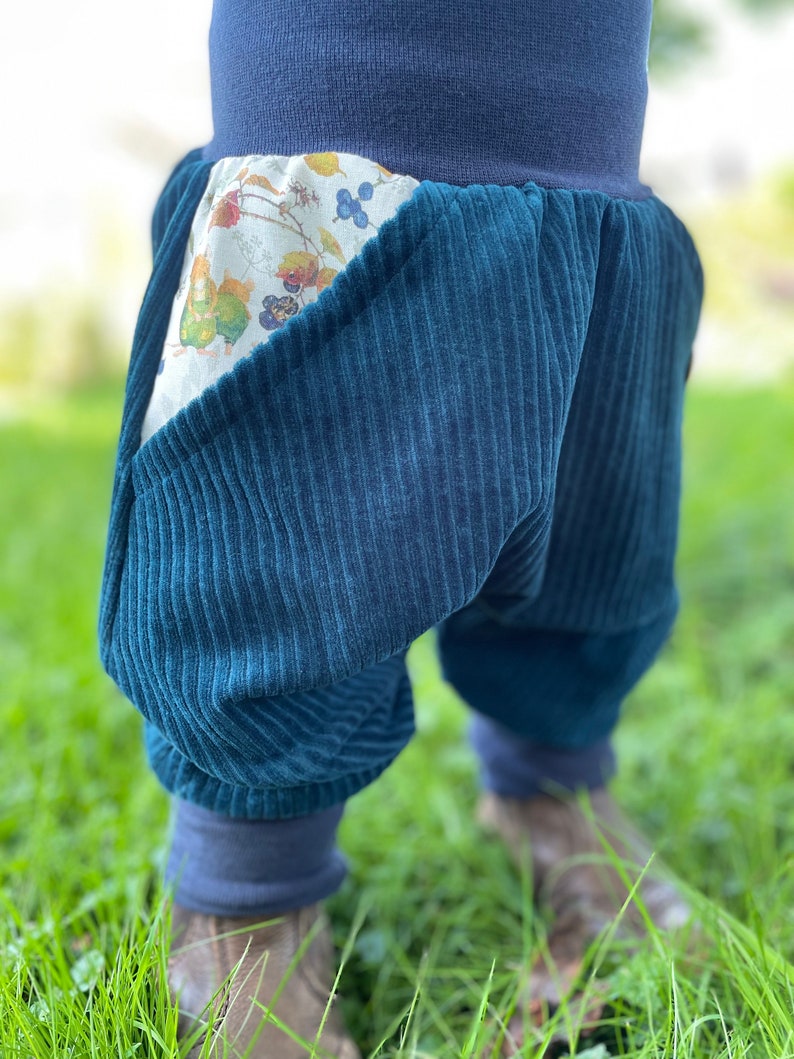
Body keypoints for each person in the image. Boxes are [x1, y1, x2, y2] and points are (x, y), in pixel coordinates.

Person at [99, 0, 703, 1054]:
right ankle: (246, 895)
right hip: (328, 165)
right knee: (273, 538)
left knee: (595, 526)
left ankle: (548, 785)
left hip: (587, 150)